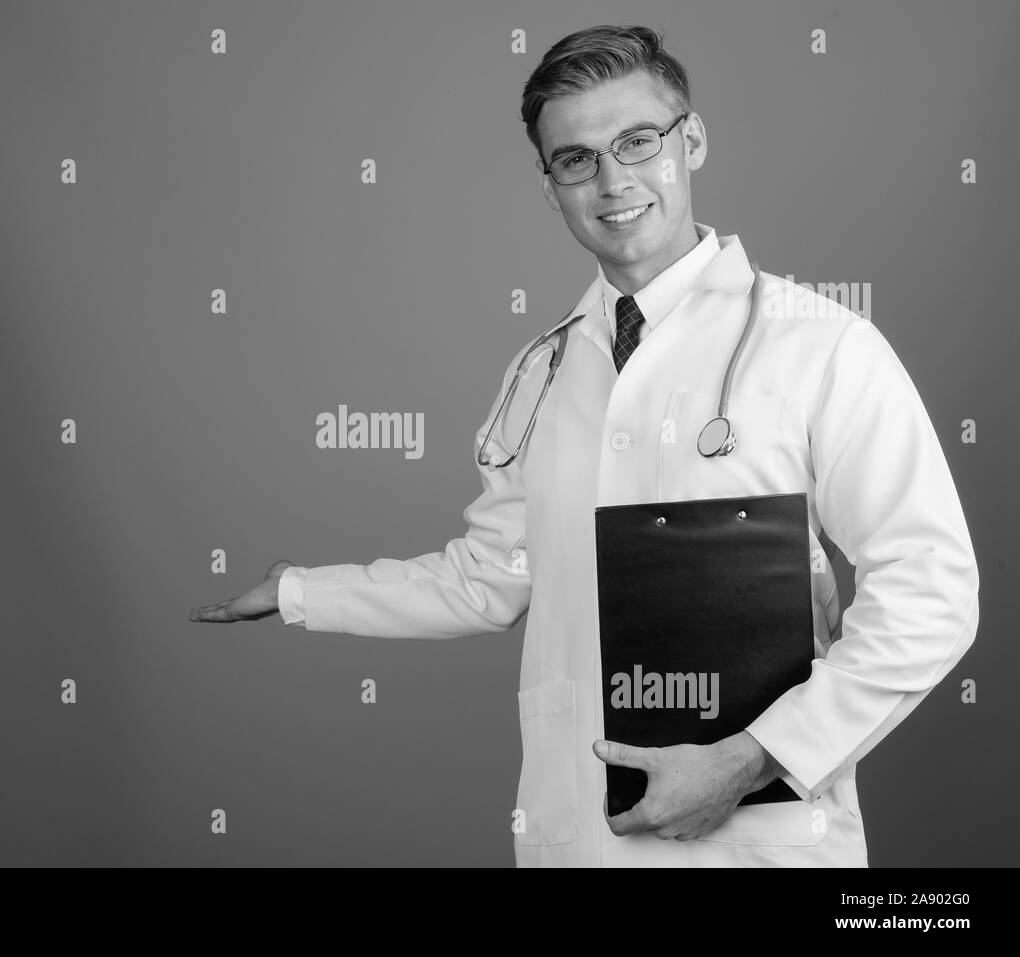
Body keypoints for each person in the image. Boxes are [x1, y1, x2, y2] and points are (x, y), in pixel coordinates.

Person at [188, 25, 979, 867]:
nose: (613, 180)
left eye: (638, 141)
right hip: (577, 843)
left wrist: (754, 759)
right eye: (576, 158)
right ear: (550, 184)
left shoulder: (822, 345)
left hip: (762, 843)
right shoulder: (541, 371)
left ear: (694, 141)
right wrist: (303, 591)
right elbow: (490, 578)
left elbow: (930, 592)